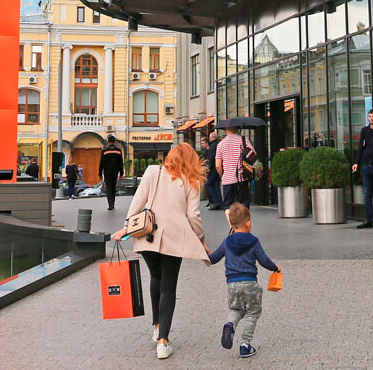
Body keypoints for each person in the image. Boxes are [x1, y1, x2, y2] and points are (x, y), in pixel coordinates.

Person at [113, 143, 211, 361]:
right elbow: (193, 216)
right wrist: (201, 239)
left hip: (148, 234)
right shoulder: (191, 180)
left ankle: (157, 327)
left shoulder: (152, 171)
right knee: (168, 287)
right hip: (174, 238)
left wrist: (127, 227)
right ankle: (163, 342)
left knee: (155, 277)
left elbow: (137, 203)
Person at [209, 203, 279, 359]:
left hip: (232, 285)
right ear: (248, 223)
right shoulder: (253, 241)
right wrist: (275, 268)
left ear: (232, 224)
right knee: (252, 313)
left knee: (236, 310)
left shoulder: (227, 241)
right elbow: (263, 260)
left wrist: (203, 252)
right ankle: (245, 345)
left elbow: (213, 259)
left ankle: (229, 325)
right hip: (249, 283)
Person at [215, 126, 256, 208]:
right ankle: (245, 221)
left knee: (228, 206)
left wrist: (222, 175)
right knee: (243, 206)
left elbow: (218, 166)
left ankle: (231, 221)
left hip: (228, 180)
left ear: (226, 131)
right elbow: (253, 156)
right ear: (237, 130)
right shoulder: (244, 140)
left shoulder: (220, 144)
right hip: (242, 178)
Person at [98, 136, 124, 211]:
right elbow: (121, 163)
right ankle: (113, 203)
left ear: (108, 142)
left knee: (108, 187)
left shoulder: (104, 151)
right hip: (115, 171)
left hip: (107, 172)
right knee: (113, 187)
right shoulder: (118, 151)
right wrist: (121, 173)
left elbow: (101, 163)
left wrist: (100, 174)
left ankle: (110, 205)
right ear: (114, 141)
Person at [203, 134, 224, 210]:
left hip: (213, 170)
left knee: (207, 185)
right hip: (217, 169)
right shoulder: (217, 145)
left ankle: (215, 202)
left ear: (211, 138)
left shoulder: (212, 146)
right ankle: (220, 203)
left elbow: (211, 159)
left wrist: (207, 170)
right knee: (216, 186)